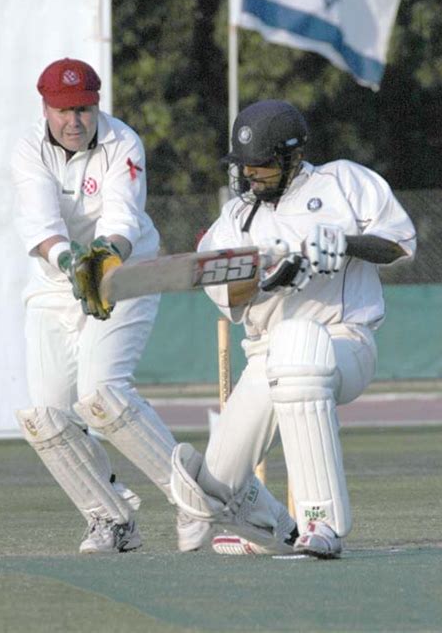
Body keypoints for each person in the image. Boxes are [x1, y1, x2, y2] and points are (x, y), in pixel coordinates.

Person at [170, 98, 416, 558]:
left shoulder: (343, 181)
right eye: (244, 166)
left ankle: (321, 524)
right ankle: (272, 527)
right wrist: (265, 283)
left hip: (343, 342)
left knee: (298, 347)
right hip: (264, 358)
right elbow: (230, 297)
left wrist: (345, 244)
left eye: (261, 164)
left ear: (292, 155)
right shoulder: (234, 220)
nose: (250, 175)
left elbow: (399, 245)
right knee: (212, 489)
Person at [11, 57, 208, 554]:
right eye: (63, 111)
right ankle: (111, 519)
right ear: (46, 107)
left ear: (96, 105)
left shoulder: (123, 142)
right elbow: (40, 226)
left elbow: (122, 215)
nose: (74, 121)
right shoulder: (28, 149)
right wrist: (71, 263)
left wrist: (103, 261)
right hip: (57, 284)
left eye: (83, 110)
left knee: (102, 394)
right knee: (47, 415)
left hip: (125, 275)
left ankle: (191, 499)